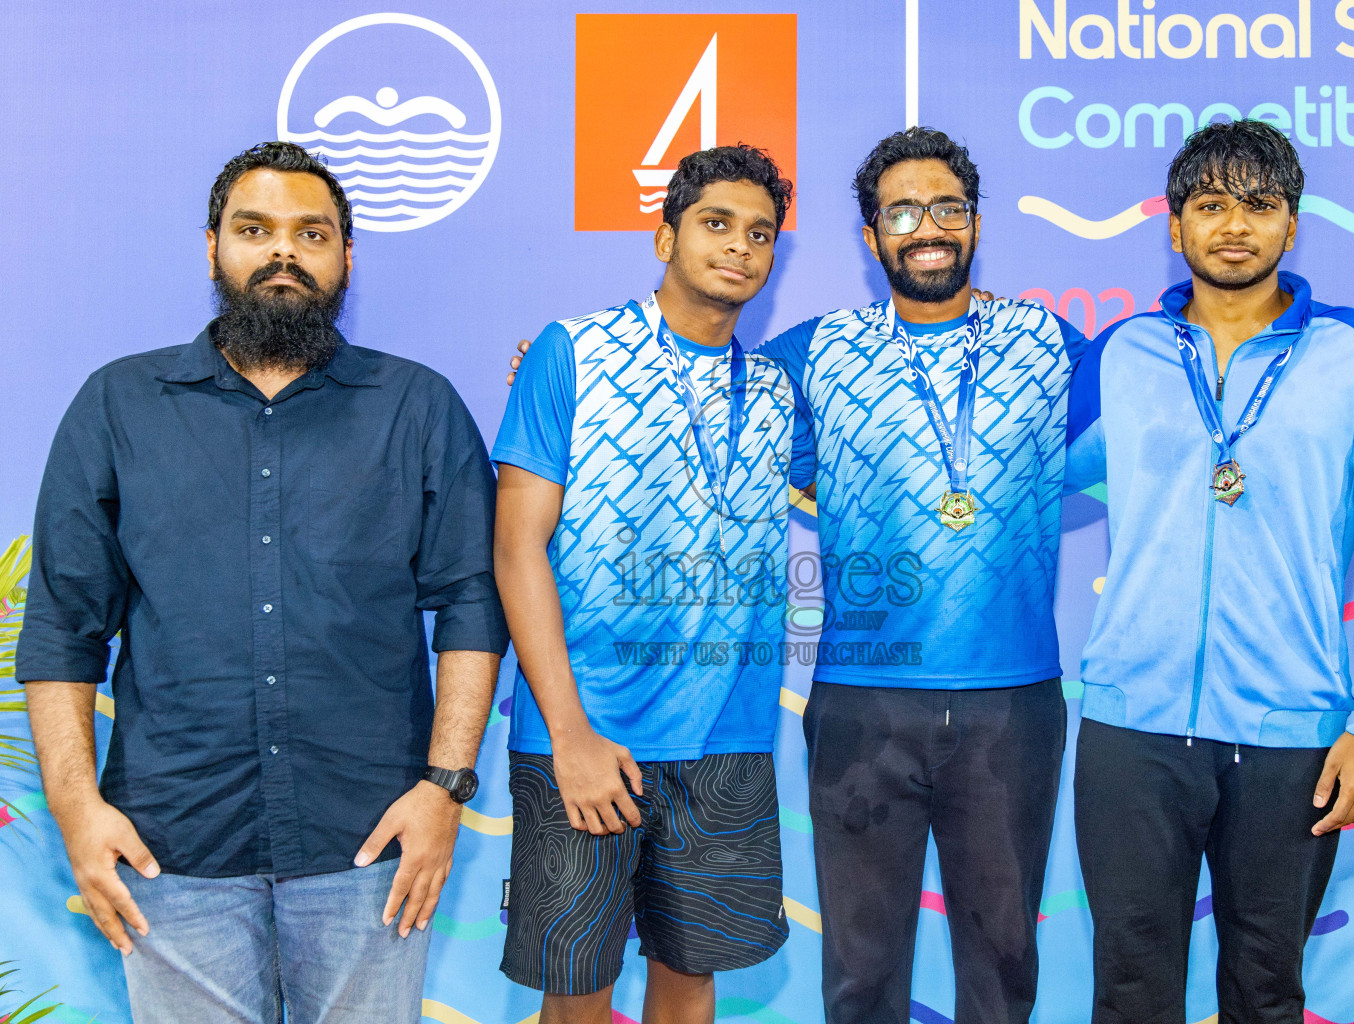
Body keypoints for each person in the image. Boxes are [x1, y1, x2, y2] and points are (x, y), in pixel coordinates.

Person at [18, 141, 508, 1024]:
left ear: (346, 258)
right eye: (256, 229)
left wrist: (444, 790)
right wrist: (76, 809)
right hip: (170, 851)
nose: (284, 251)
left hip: (370, 847)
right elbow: (63, 628)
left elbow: (472, 607)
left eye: (311, 233)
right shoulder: (118, 406)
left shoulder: (418, 407)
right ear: (213, 247)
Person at [1066, 120, 1354, 1024]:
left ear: (1292, 226)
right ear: (1177, 226)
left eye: (1260, 206)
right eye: (1211, 205)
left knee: (1266, 994)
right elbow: (1010, 487)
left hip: (1295, 734)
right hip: (1132, 732)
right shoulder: (1119, 354)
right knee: (1129, 994)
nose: (1235, 226)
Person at [755, 127, 1086, 1024]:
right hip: (863, 703)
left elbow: (1152, 429)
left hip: (1011, 704)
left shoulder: (1049, 341)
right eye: (902, 210)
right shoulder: (813, 351)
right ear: (872, 237)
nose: (927, 226)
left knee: (1002, 966)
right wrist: (566, 383)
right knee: (861, 975)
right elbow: (698, 402)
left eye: (948, 207)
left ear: (975, 223)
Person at [491, 145, 810, 1024]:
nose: (740, 247)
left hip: (728, 739)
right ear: (664, 235)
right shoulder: (573, 353)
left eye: (760, 233)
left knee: (692, 978)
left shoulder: (782, 390)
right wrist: (570, 735)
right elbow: (517, 548)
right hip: (587, 734)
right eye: (716, 224)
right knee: (577, 992)